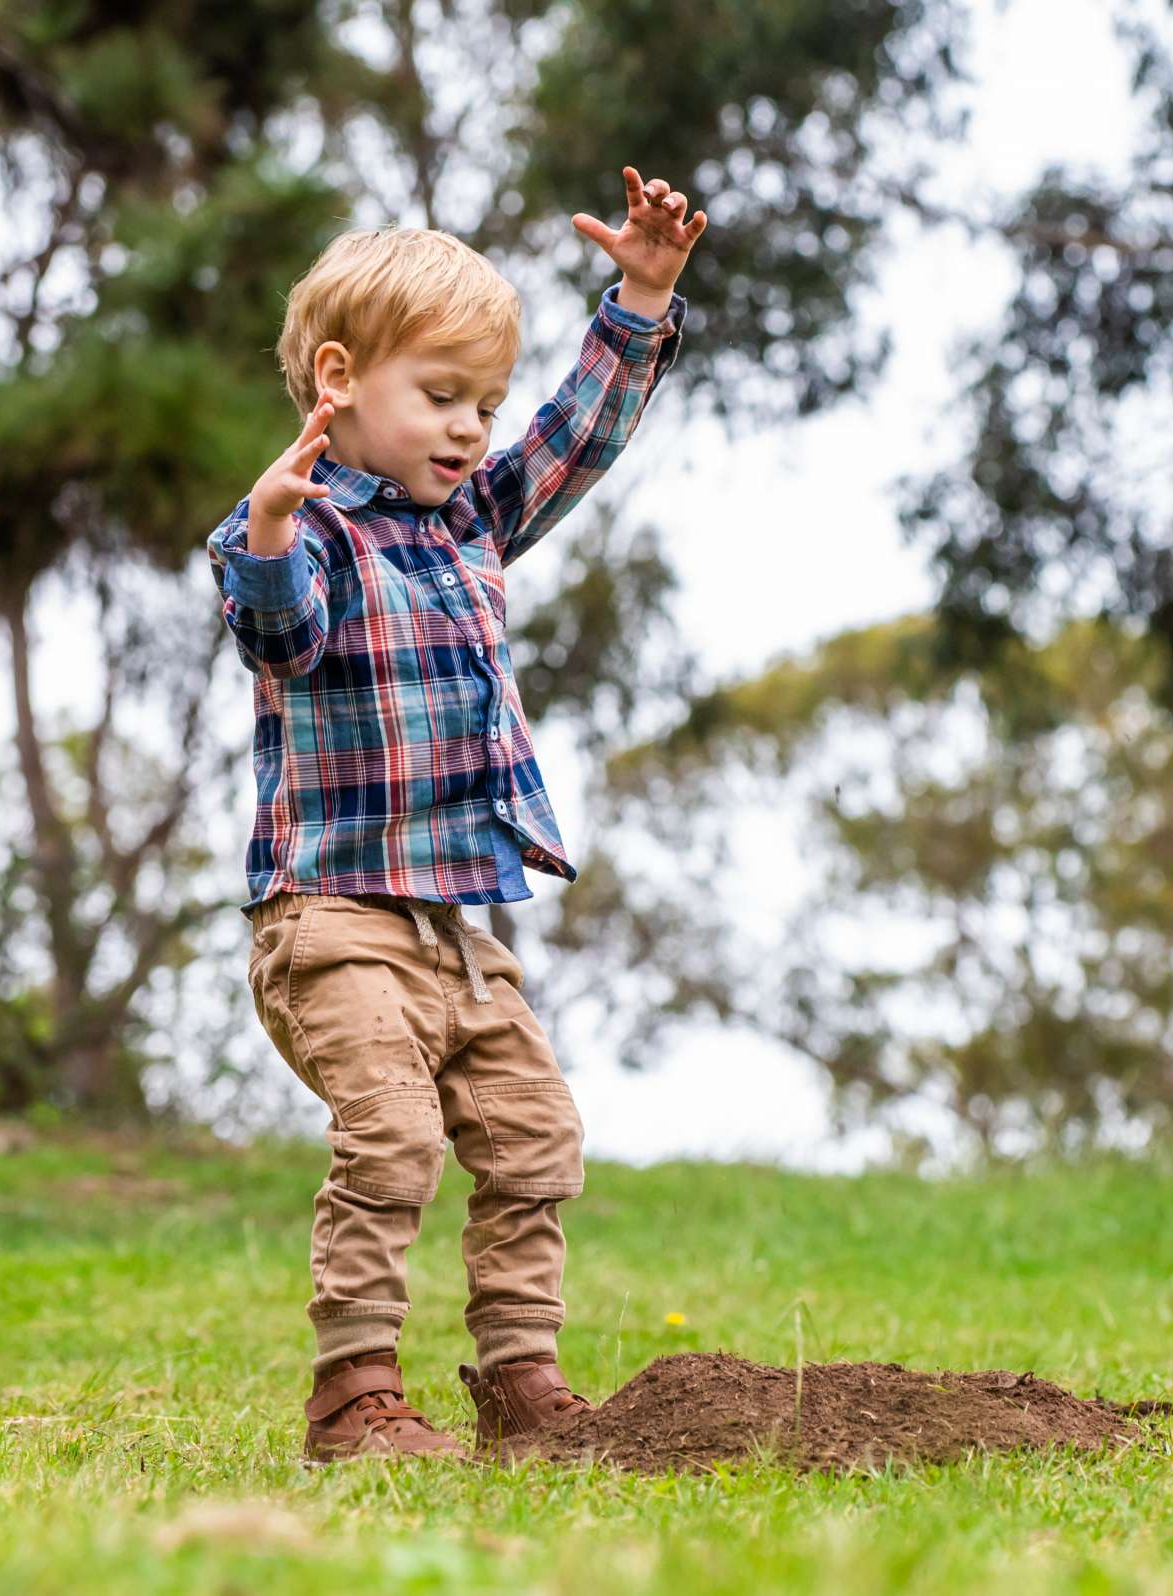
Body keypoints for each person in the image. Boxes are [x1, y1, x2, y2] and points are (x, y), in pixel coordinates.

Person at [205, 167, 707, 1465]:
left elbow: (576, 437)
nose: (473, 428)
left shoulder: (475, 519)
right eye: (442, 398)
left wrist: (640, 297)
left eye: (481, 402)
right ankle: (354, 1396)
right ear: (337, 380)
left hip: (462, 931)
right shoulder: (299, 531)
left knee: (538, 1141)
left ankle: (523, 1383)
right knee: (394, 1137)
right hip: (333, 921)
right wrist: (266, 527)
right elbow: (280, 637)